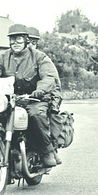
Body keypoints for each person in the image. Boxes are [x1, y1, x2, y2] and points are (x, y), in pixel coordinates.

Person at [0, 23, 61, 167]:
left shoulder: (39, 57)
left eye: (19, 39)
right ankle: (5, 148)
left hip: (35, 98)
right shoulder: (3, 58)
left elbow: (49, 77)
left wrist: (41, 90)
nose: (15, 42)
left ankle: (46, 150)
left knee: (36, 114)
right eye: (12, 39)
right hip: (12, 99)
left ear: (26, 40)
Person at [27, 26, 65, 164]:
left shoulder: (41, 58)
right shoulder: (13, 58)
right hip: (19, 98)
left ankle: (49, 149)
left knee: (37, 116)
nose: (30, 45)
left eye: (34, 42)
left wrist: (53, 102)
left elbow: (52, 80)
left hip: (42, 96)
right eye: (28, 41)